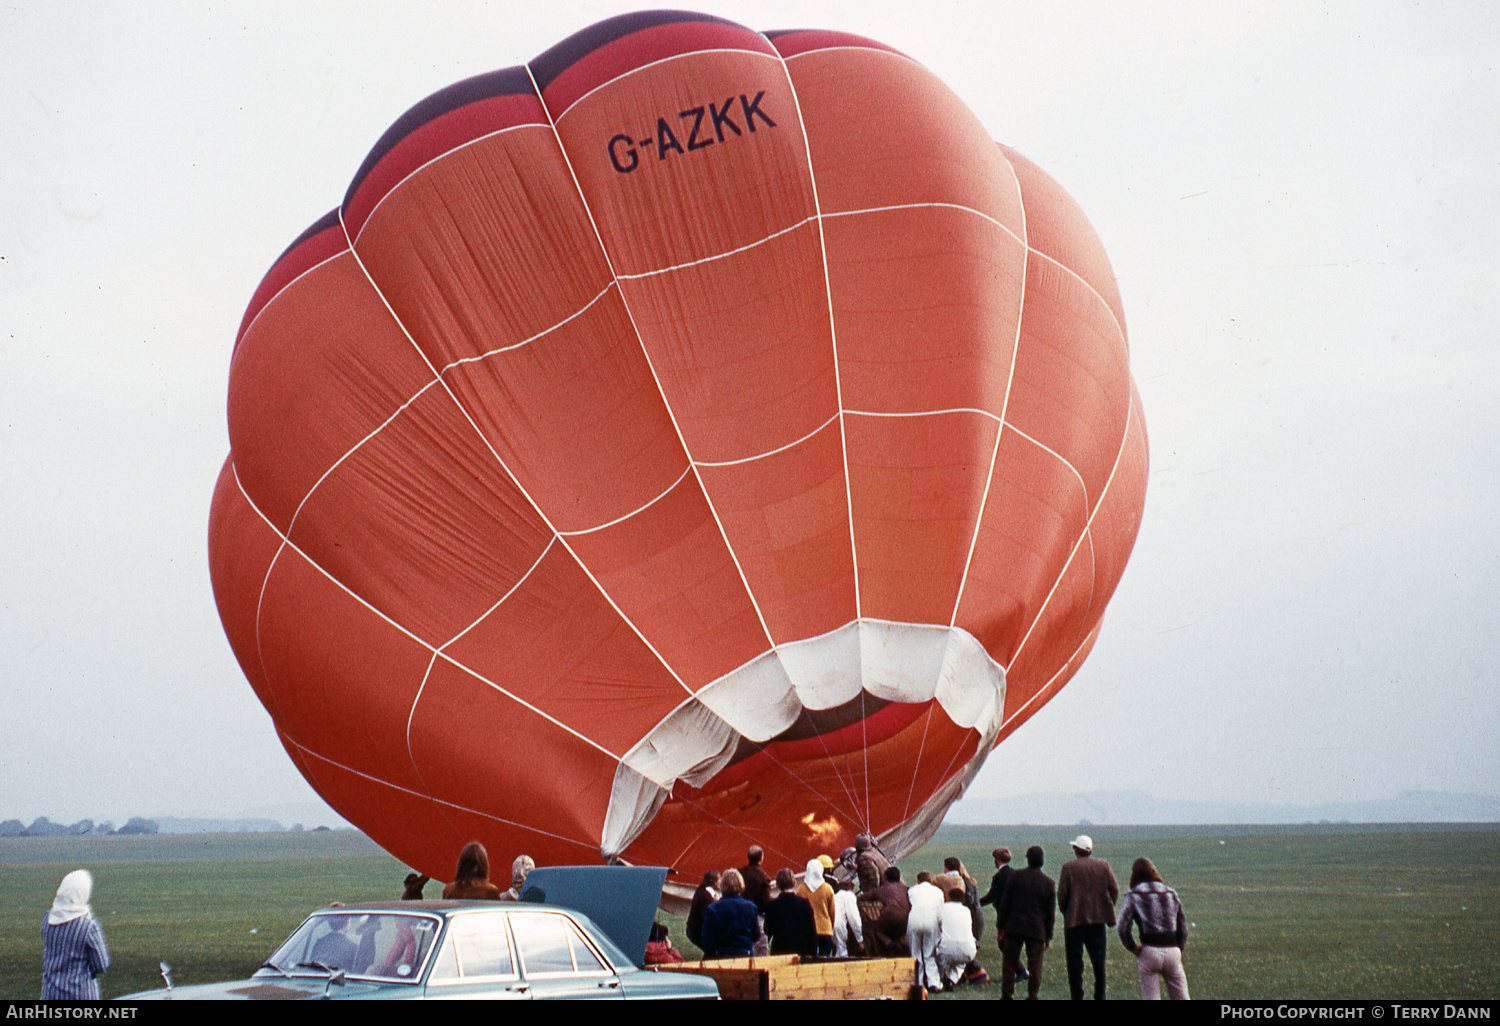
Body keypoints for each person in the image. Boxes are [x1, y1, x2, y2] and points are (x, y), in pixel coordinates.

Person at [1118, 858, 1190, 1000]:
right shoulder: (1171, 893)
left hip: (1149, 951)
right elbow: (1183, 927)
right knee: (1182, 997)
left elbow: (1122, 927)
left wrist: (1132, 947)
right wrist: (1179, 948)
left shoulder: (1133, 895)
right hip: (1173, 950)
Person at [1057, 834, 1119, 1001]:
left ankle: (1077, 995)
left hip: (1074, 922)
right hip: (1098, 922)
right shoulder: (1103, 866)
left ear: (1076, 849)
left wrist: (1067, 911)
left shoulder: (1068, 868)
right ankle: (1100, 995)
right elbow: (1114, 890)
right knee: (1099, 962)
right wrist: (1106, 907)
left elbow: (1062, 896)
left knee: (1075, 962)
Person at [994, 846, 1055, 1001]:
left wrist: (1001, 927)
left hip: (1014, 927)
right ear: (1042, 860)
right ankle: (1032, 995)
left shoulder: (1016, 877)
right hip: (1037, 929)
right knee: (1035, 965)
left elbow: (1004, 904)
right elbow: (1050, 914)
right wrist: (1048, 936)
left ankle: (1007, 995)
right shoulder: (1048, 883)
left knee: (1009, 962)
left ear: (1027, 859)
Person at [40, 870, 109, 1000]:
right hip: (79, 994)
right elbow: (101, 965)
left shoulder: (48, 920)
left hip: (50, 994)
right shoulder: (88, 927)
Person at [979, 847, 1027, 982]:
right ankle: (1021, 970)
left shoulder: (999, 877)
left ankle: (1021, 971)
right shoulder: (1015, 874)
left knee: (1003, 943)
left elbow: (993, 896)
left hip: (1005, 915)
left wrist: (977, 904)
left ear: (997, 860)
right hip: (1018, 914)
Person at [699, 868, 759, 958]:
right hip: (745, 955)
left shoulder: (713, 908)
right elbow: (756, 935)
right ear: (740, 884)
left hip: (721, 955)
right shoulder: (751, 907)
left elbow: (707, 939)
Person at [763, 868, 817, 955]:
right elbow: (811, 931)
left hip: (779, 951)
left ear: (777, 885)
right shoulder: (804, 903)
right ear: (794, 883)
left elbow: (767, 930)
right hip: (801, 952)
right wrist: (813, 955)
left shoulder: (772, 905)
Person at [906, 871, 944, 992]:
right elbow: (940, 909)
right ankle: (934, 983)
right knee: (929, 954)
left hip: (914, 918)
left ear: (918, 881)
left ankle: (918, 982)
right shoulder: (938, 892)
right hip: (931, 919)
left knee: (915, 953)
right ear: (931, 881)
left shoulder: (911, 890)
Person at [861, 865, 912, 956]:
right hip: (907, 915)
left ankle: (889, 945)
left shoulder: (882, 889)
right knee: (901, 932)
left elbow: (866, 897)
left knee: (876, 930)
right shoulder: (907, 889)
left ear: (885, 878)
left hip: (890, 914)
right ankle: (901, 946)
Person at [936, 887, 979, 989]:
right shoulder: (967, 910)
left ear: (948, 898)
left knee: (936, 957)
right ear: (963, 900)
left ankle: (940, 978)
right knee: (961, 963)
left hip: (946, 950)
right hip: (968, 950)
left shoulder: (942, 908)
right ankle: (952, 980)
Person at [796, 858, 837, 956]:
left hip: (806, 930)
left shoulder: (801, 889)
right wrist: (830, 926)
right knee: (824, 959)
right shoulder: (827, 888)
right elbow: (832, 911)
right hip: (825, 930)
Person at [831, 875, 865, 957]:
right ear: (850, 890)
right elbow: (854, 918)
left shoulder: (835, 897)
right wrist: (860, 940)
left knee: (838, 951)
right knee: (843, 954)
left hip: (830, 927)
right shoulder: (849, 895)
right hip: (839, 925)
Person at [686, 870, 720, 950]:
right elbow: (707, 918)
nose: (720, 882)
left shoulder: (701, 891)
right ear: (713, 882)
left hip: (693, 929)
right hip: (697, 932)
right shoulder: (706, 897)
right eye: (719, 880)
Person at [740, 845, 773, 911]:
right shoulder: (764, 878)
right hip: (756, 913)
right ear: (761, 858)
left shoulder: (738, 872)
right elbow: (766, 902)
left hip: (740, 910)